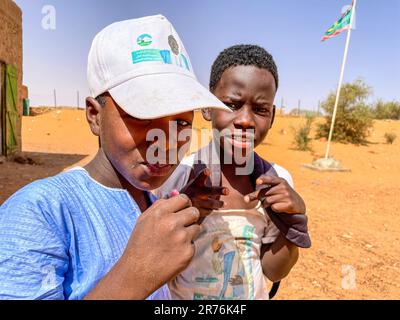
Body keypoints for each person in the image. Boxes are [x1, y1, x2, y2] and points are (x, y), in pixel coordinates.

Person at [0, 15, 231, 300]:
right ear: (95, 116)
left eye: (182, 123)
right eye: (142, 115)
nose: (166, 142)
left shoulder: (151, 201)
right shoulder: (40, 212)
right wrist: (133, 275)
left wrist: (189, 208)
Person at [156, 44, 311, 300]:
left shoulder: (275, 181)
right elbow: (155, 263)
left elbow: (273, 271)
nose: (245, 120)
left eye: (260, 109)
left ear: (271, 117)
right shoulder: (178, 175)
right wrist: (184, 209)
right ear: (206, 107)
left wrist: (294, 223)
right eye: (231, 105)